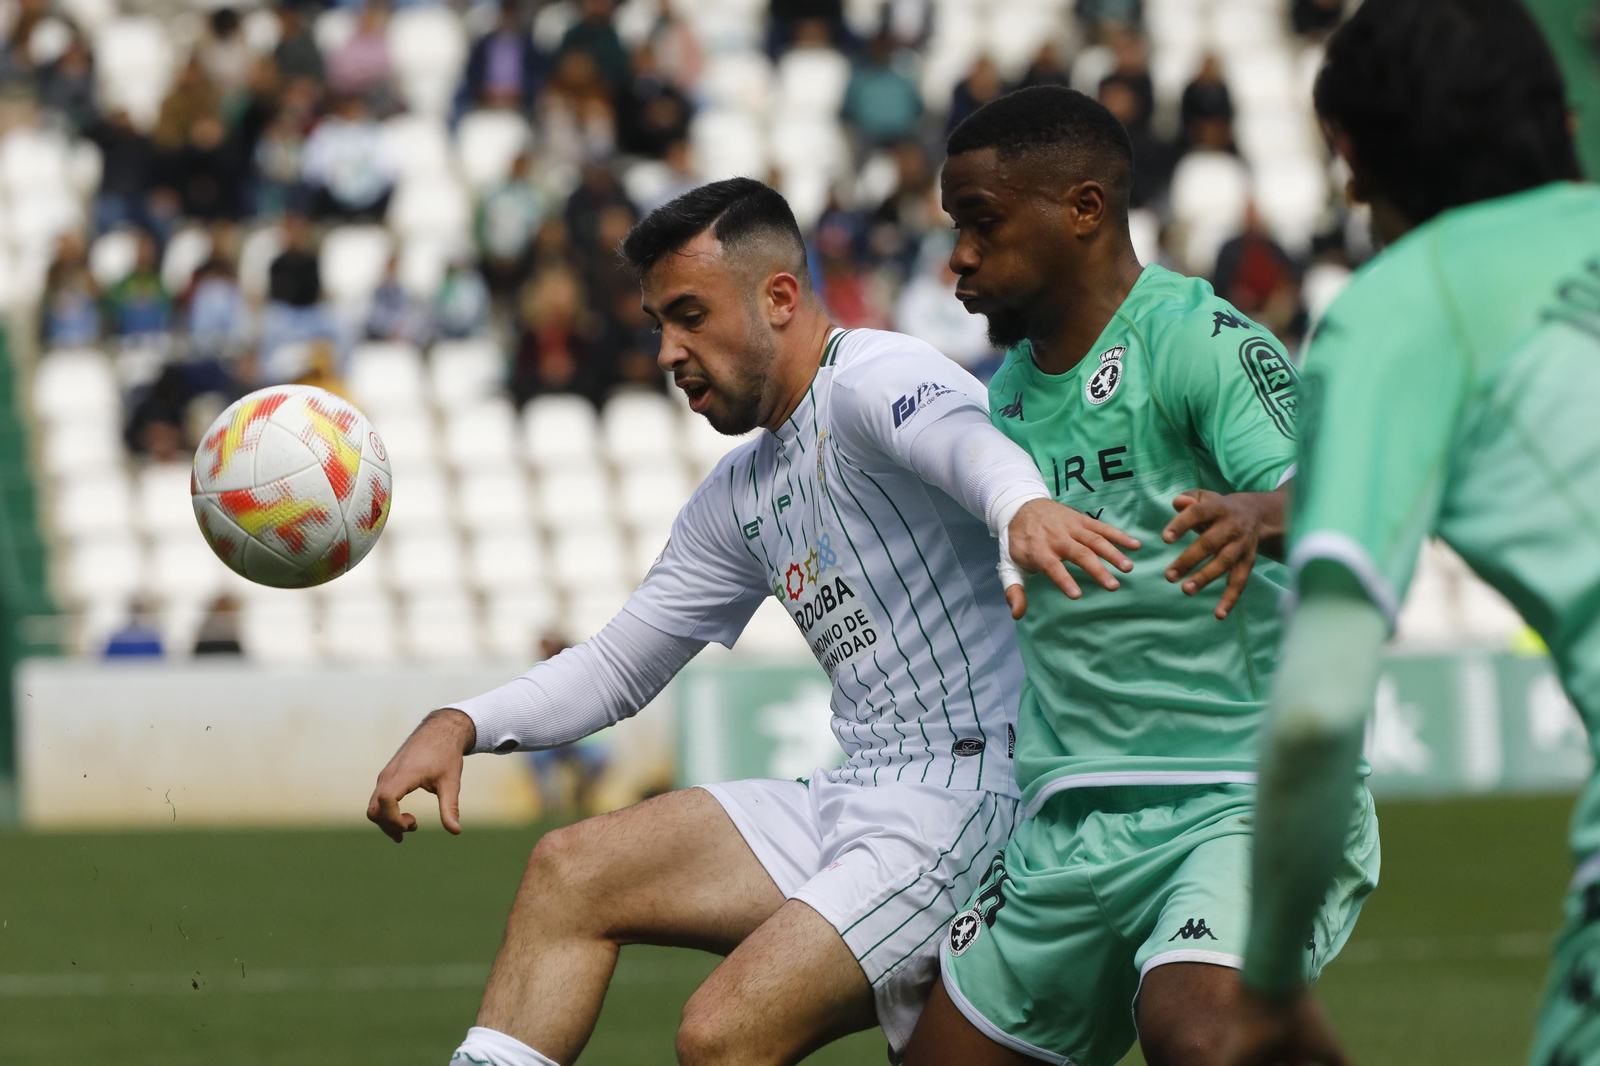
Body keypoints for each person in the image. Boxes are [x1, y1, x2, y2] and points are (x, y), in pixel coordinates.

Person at [366, 177, 1155, 1066]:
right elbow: (620, 665)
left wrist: (1019, 508)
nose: (668, 351)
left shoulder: (873, 377)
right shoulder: (740, 492)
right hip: (856, 792)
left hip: (978, 795)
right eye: (659, 323)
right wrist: (462, 722)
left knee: (723, 1033)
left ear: (780, 297)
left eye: (690, 315)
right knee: (569, 874)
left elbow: (969, 444)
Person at [902, 86, 1379, 1066]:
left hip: (1237, 791)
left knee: (1199, 1031)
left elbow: (1333, 494)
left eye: (981, 224)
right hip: (1068, 812)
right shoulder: (1005, 407)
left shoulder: (1197, 341)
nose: (959, 257)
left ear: (1083, 210)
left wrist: (1260, 511)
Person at [1219, 4, 1593, 1065]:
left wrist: (1271, 984)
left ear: (1357, 162)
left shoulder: (1399, 307)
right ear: (1562, 118)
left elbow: (1317, 708)